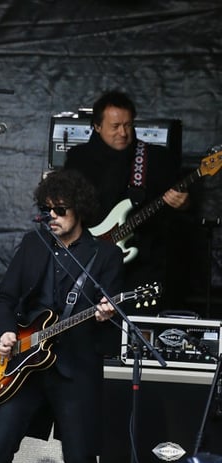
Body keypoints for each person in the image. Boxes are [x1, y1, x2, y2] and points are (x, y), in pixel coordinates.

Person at [0, 169, 123, 463]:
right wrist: (6, 332)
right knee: (0, 443)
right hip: (25, 364)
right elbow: (3, 299)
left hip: (74, 368)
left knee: (79, 456)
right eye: (46, 210)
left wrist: (105, 317)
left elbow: (112, 335)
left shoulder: (105, 256)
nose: (52, 217)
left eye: (59, 209)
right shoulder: (33, 244)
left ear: (79, 210)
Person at [63, 89, 189, 310]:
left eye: (128, 125)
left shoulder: (157, 158)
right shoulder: (78, 159)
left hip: (143, 265)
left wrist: (183, 203)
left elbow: (181, 206)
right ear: (97, 126)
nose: (122, 132)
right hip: (90, 261)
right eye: (115, 126)